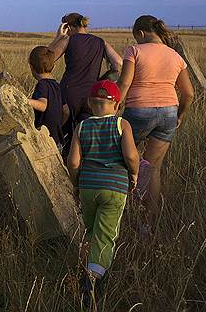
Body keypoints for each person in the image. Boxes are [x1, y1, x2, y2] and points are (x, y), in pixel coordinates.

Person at [116, 15, 194, 235]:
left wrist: (114, 107)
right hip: (169, 112)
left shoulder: (134, 51)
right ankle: (147, 223)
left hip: (138, 111)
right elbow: (189, 94)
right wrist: (179, 116)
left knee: (121, 160)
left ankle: (120, 211)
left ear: (141, 33)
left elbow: (124, 83)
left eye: (136, 37)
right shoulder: (176, 56)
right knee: (153, 168)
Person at [67, 80, 139, 308]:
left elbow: (73, 162)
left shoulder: (82, 127)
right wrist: (134, 174)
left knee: (91, 231)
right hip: (114, 187)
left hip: (88, 187)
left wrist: (76, 185)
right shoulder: (121, 124)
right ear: (117, 105)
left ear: (90, 103)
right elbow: (131, 156)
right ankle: (93, 281)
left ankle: (87, 267)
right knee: (106, 235)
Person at [47, 12, 123, 152]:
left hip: (69, 93)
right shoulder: (100, 42)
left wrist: (58, 37)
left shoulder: (68, 40)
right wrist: (103, 79)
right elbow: (118, 63)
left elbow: (46, 61)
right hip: (91, 96)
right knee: (85, 137)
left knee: (64, 138)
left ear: (68, 27)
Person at [27, 46, 69, 148]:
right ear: (53, 66)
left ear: (31, 67)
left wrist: (25, 100)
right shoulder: (57, 86)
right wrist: (58, 125)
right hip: (57, 138)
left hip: (43, 138)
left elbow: (43, 105)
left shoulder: (42, 85)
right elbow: (66, 111)